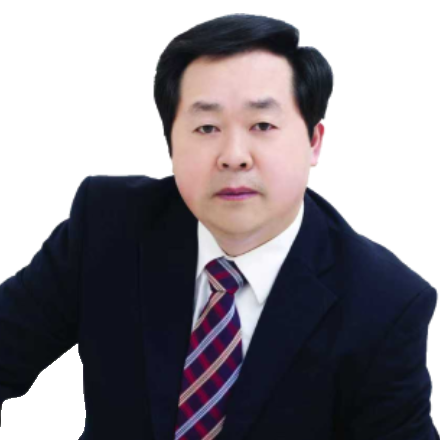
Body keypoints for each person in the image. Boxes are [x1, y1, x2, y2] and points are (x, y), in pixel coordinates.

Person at [0, 12, 438, 440]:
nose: (233, 156)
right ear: (171, 143)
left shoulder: (384, 303)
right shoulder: (108, 226)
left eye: (262, 125)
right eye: (206, 127)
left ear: (313, 142)